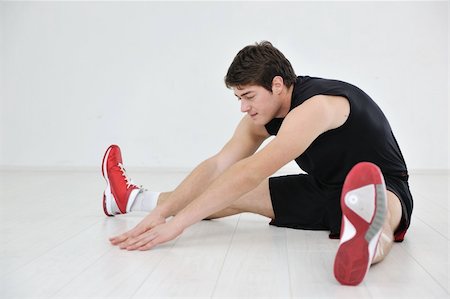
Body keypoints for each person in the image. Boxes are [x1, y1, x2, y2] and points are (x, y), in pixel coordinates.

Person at [101, 41, 413, 286]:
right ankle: (130, 199)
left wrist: (178, 225)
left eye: (248, 96)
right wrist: (161, 214)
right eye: (238, 97)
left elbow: (252, 170)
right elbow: (219, 166)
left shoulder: (317, 107)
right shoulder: (262, 117)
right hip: (324, 190)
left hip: (384, 186)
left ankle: (367, 243)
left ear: (277, 84)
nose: (242, 107)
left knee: (380, 209)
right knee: (224, 192)